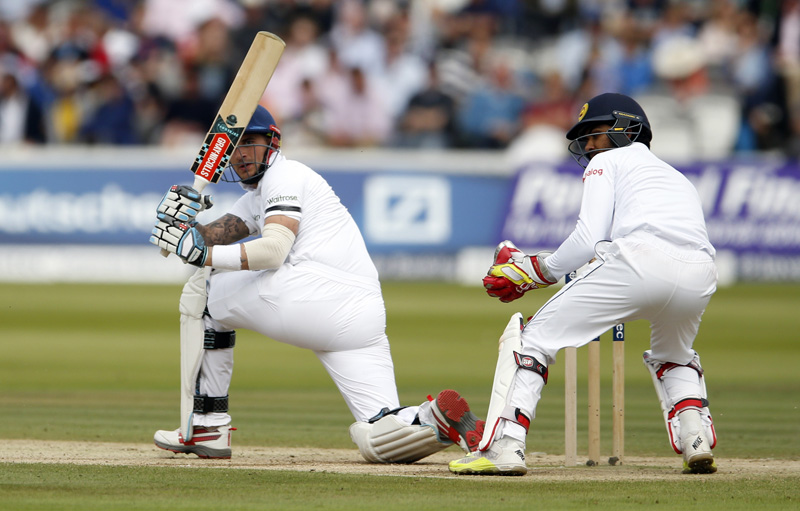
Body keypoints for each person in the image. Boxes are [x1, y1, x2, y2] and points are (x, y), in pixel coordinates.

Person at [149, 105, 484, 463]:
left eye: (251, 142)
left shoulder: (285, 177)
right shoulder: (260, 195)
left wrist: (201, 254)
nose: (241, 154)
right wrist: (178, 223)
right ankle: (436, 418)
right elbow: (206, 238)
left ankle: (207, 425)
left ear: (272, 143)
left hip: (314, 294)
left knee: (203, 291)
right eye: (235, 146)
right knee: (378, 435)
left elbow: (273, 251)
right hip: (362, 317)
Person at [450, 93, 718, 475]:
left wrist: (536, 272)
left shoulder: (608, 161)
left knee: (533, 339)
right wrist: (537, 268)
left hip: (639, 262)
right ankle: (696, 440)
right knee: (674, 353)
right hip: (700, 273)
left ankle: (505, 446)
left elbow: (588, 238)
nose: (589, 144)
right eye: (585, 137)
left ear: (627, 127)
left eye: (596, 132)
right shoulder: (676, 177)